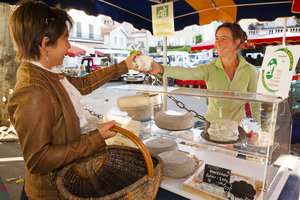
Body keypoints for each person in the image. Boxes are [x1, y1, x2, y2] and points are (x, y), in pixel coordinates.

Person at [7, 1, 139, 199]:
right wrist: (96, 138)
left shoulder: (47, 73)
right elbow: (38, 160)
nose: (69, 46)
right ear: (44, 44)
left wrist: (123, 66)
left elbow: (83, 84)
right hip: (49, 193)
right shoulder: (34, 90)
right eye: (65, 39)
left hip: (65, 182)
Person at [144, 22, 260, 123]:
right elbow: (187, 73)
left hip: (238, 128)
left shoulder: (250, 71)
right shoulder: (209, 68)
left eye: (224, 38)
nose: (218, 43)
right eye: (217, 38)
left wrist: (256, 128)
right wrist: (161, 69)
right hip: (213, 126)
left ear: (237, 42)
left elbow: (255, 103)